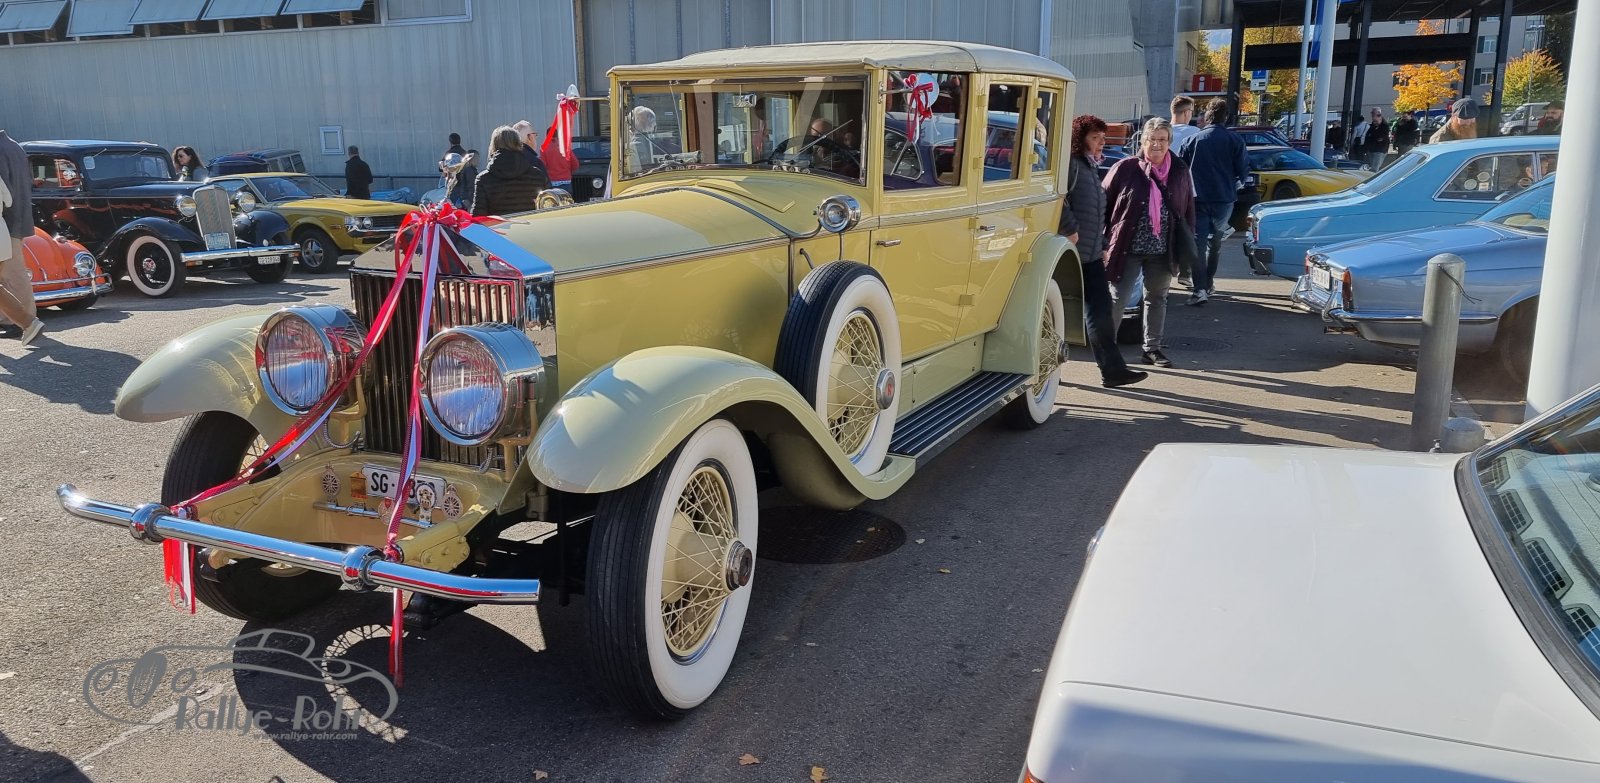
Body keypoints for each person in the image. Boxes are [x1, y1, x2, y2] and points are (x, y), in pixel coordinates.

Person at [1060, 115, 1146, 389]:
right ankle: (1112, 370)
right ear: (1080, 138)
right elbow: (1057, 197)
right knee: (1097, 312)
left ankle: (1113, 370)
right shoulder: (1072, 165)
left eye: (1103, 138)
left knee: (1100, 311)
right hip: (1075, 253)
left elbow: (1094, 211)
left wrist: (1103, 243)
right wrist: (1069, 228)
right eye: (1095, 138)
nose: (1101, 143)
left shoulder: (1087, 165)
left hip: (1090, 252)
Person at [1103, 117, 1195, 369]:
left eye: (1162, 139)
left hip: (1163, 249)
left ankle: (1151, 349)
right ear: (1142, 141)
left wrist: (1187, 242)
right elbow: (1103, 202)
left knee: (1157, 298)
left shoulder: (1180, 170)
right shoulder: (1126, 168)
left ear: (1169, 141)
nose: (1156, 144)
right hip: (1127, 246)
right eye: (1151, 139)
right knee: (1117, 298)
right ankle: (1108, 351)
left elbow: (1188, 208)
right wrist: (1102, 241)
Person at [1176, 99, 1247, 306]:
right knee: (1215, 242)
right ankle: (1208, 283)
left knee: (1197, 244)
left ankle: (1199, 289)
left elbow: (1181, 170)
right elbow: (1243, 172)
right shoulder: (1235, 140)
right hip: (1224, 199)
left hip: (1198, 199)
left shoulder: (1192, 140)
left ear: (1207, 117)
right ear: (1226, 117)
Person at [0, 129, 41, 345]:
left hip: (8, 221)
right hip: (18, 216)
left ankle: (22, 322)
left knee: (13, 275)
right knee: (12, 274)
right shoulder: (14, 146)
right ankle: (22, 320)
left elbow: (4, 191)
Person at [472, 126, 549, 217]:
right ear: (519, 143)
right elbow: (548, 209)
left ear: (494, 145)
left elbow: (478, 216)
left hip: (499, 226)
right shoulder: (537, 175)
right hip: (533, 225)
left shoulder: (483, 179)